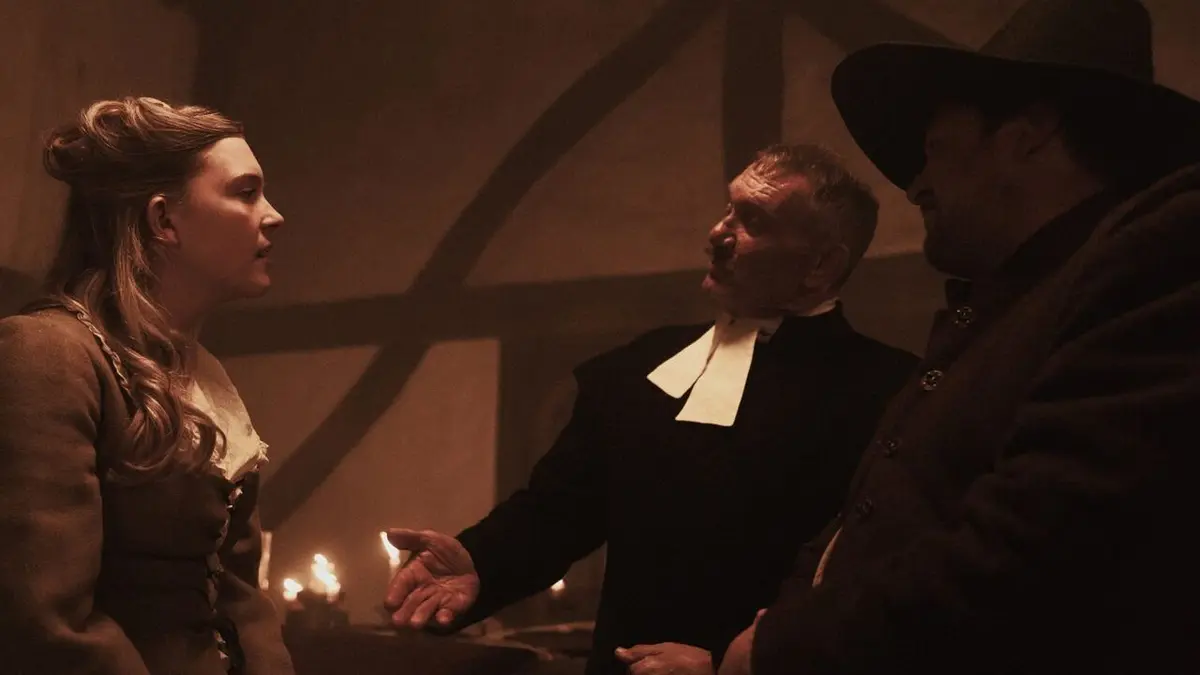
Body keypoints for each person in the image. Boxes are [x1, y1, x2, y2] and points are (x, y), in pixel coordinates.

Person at [718, 1, 1200, 674]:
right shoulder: (1013, 302)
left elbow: (1041, 551)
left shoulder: (1160, 256)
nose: (915, 184)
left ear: (1028, 136)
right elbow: (873, 517)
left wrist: (779, 649)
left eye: (936, 149)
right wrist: (773, 629)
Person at [385, 144, 918, 675]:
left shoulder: (889, 393)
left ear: (821, 265)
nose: (718, 233)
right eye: (729, 209)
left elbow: (867, 582)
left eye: (753, 221)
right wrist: (479, 561)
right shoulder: (642, 365)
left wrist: (735, 667)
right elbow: (556, 511)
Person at [0, 97, 293, 675]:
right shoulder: (47, 354)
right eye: (245, 192)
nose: (274, 215)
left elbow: (241, 600)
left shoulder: (204, 378)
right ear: (164, 221)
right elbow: (45, 624)